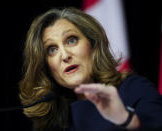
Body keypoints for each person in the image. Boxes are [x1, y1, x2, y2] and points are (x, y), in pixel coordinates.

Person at [19, 7, 162, 131]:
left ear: (93, 45)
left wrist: (126, 119)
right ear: (46, 67)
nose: (65, 55)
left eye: (71, 40)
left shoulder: (133, 89)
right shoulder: (52, 121)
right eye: (51, 49)